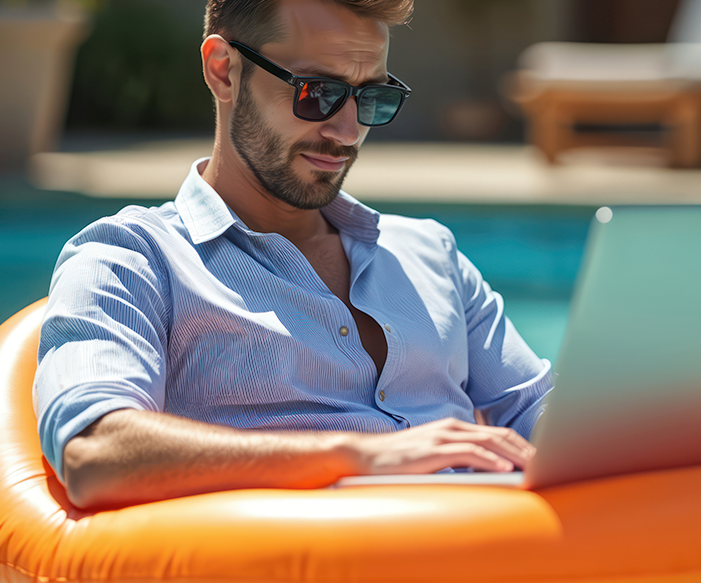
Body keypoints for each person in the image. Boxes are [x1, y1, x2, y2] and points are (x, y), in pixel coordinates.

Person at [35, 0, 553, 510]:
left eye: (371, 97)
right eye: (318, 92)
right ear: (223, 71)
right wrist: (356, 455)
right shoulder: (135, 260)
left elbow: (537, 408)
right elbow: (94, 453)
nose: (347, 132)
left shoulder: (429, 251)